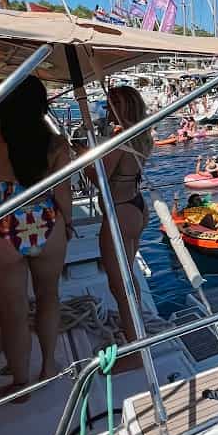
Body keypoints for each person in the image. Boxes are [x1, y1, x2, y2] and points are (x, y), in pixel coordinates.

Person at [0, 76, 73, 398]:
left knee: (13, 311)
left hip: (4, 228)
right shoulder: (57, 144)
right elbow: (62, 194)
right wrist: (66, 223)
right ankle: (48, 366)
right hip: (48, 223)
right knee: (49, 297)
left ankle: (21, 382)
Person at [89, 86, 153, 356]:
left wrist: (80, 159)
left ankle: (136, 351)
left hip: (120, 212)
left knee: (120, 284)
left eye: (112, 103)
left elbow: (98, 177)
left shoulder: (120, 137)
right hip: (136, 207)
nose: (107, 106)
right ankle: (136, 330)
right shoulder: (142, 134)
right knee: (128, 278)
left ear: (122, 106)